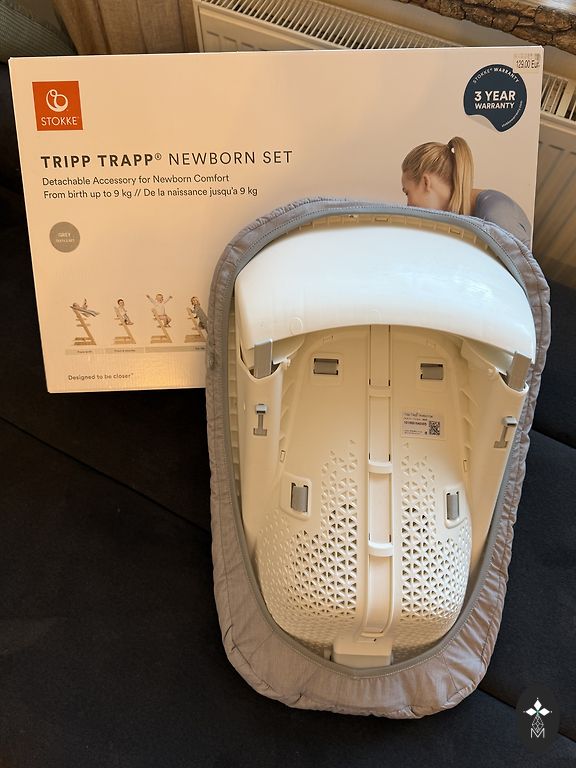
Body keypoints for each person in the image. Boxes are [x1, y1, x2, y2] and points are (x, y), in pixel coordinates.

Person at [401, 136, 532, 247]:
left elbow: (518, 269)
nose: (408, 205)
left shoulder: (497, 214)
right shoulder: (460, 218)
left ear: (426, 182)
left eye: (407, 193)